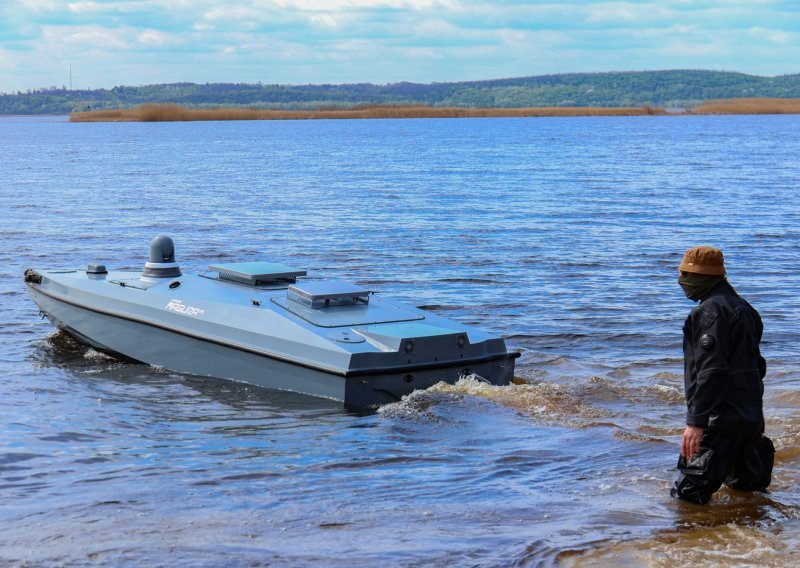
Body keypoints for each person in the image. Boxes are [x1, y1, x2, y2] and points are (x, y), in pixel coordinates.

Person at [671, 246, 774, 504]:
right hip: (749, 420)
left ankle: (688, 544)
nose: (681, 280)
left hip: (720, 423)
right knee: (748, 495)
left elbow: (712, 371)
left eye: (685, 273)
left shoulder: (709, 313)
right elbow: (758, 367)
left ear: (702, 276)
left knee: (688, 499)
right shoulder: (745, 309)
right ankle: (757, 541)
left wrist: (696, 422)